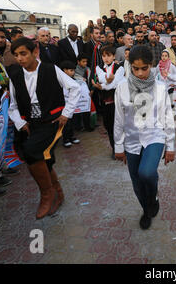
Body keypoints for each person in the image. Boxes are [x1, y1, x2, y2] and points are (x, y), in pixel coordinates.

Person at [7, 37, 81, 219]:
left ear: (35, 52)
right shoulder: (15, 76)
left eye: (23, 54)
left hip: (53, 122)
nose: (20, 59)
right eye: (16, 55)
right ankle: (57, 193)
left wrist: (67, 113)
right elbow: (13, 105)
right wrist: (20, 122)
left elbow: (75, 88)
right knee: (45, 159)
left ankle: (47, 195)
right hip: (32, 125)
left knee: (31, 151)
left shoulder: (50, 69)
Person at [114, 45, 175, 230]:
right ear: (130, 66)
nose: (140, 73)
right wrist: (118, 147)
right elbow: (119, 118)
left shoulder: (160, 89)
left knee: (146, 173)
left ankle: (154, 195)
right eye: (135, 68)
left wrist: (170, 146)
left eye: (144, 68)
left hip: (154, 136)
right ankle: (147, 210)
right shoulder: (122, 88)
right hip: (131, 140)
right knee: (137, 184)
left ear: (152, 65)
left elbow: (167, 117)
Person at [91, 45, 125, 158]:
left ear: (114, 56)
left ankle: (123, 148)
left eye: (108, 55)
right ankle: (114, 149)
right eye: (104, 56)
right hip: (105, 102)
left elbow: (115, 84)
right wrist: (108, 81)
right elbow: (101, 78)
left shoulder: (120, 68)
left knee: (120, 125)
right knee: (109, 126)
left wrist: (103, 86)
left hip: (117, 102)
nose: (106, 58)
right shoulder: (98, 67)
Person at [59, 60, 82, 148]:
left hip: (72, 105)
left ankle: (71, 136)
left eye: (73, 70)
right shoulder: (60, 80)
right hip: (64, 105)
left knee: (72, 122)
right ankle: (66, 139)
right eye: (71, 70)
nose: (73, 72)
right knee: (65, 123)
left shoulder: (73, 80)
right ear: (64, 70)